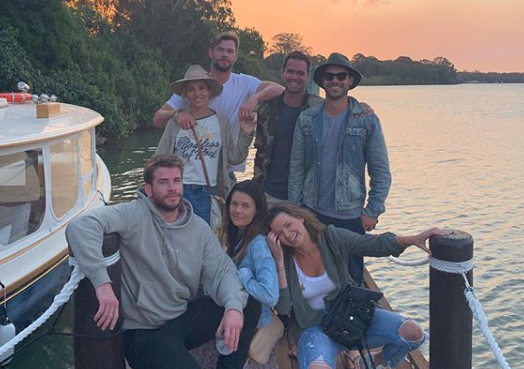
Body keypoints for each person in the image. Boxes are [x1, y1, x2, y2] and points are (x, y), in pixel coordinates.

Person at [66, 155, 260, 369]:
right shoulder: (134, 214)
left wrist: (233, 308)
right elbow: (81, 227)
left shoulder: (198, 228)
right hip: (144, 332)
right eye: (163, 182)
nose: (172, 188)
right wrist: (103, 285)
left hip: (181, 318)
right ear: (148, 189)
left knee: (246, 303)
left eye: (176, 181)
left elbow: (222, 271)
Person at [265, 204, 447, 369]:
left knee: (413, 333)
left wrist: (413, 239)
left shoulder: (331, 237)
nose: (287, 234)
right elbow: (282, 307)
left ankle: (377, 361)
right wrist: (279, 263)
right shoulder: (285, 261)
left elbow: (372, 244)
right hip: (315, 329)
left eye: (289, 225)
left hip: (351, 317)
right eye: (279, 233)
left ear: (300, 218)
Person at [288, 52, 392, 285]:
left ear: (350, 81)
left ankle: (350, 320)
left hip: (351, 216)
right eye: (329, 76)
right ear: (322, 81)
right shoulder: (307, 119)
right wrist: (296, 210)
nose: (335, 80)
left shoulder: (366, 119)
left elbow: (381, 170)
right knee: (314, 276)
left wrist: (372, 211)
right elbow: (296, 167)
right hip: (312, 212)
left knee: (351, 280)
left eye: (341, 76)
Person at [153, 30, 284, 175]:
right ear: (211, 52)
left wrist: (254, 98)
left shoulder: (244, 83)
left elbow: (278, 89)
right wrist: (177, 113)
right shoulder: (193, 86)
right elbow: (158, 119)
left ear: (235, 56)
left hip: (225, 171)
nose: (225, 55)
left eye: (229, 51)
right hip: (189, 172)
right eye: (220, 50)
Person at [155, 65, 256, 224]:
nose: (197, 94)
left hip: (208, 191)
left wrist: (246, 133)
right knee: (177, 239)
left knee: (207, 239)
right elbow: (158, 159)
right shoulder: (175, 122)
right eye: (191, 89)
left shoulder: (221, 122)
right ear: (185, 94)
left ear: (209, 91)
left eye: (201, 88)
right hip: (179, 190)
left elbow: (234, 157)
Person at [253, 51, 323, 207]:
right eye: (290, 71)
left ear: (307, 76)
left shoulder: (320, 109)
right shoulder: (266, 109)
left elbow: (344, 109)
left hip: (307, 197)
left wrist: (362, 108)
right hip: (270, 194)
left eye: (300, 73)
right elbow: (260, 150)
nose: (294, 77)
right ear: (282, 73)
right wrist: (256, 189)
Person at [220, 180, 279, 330]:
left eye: (245, 206)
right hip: (238, 312)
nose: (238, 210)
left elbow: (269, 295)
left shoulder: (259, 244)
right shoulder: (237, 234)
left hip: (253, 322)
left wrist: (243, 274)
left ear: (257, 210)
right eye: (234, 204)